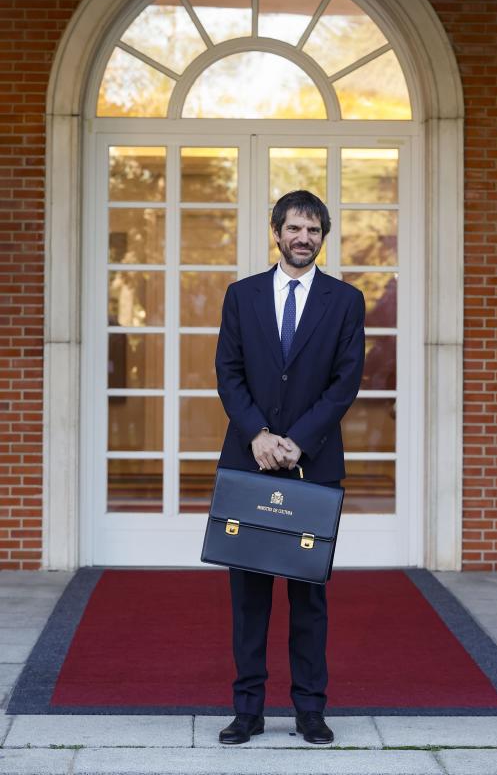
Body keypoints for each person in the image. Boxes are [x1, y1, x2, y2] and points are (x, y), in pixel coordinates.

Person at [215, 190, 365, 745]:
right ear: (276, 231)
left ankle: (309, 710)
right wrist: (258, 434)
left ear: (324, 237)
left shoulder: (346, 301)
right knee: (248, 596)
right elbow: (228, 372)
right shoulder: (242, 296)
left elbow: (344, 383)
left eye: (314, 231)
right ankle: (247, 711)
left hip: (313, 465)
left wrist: (296, 442)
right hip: (249, 462)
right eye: (295, 229)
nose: (304, 239)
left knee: (309, 596)